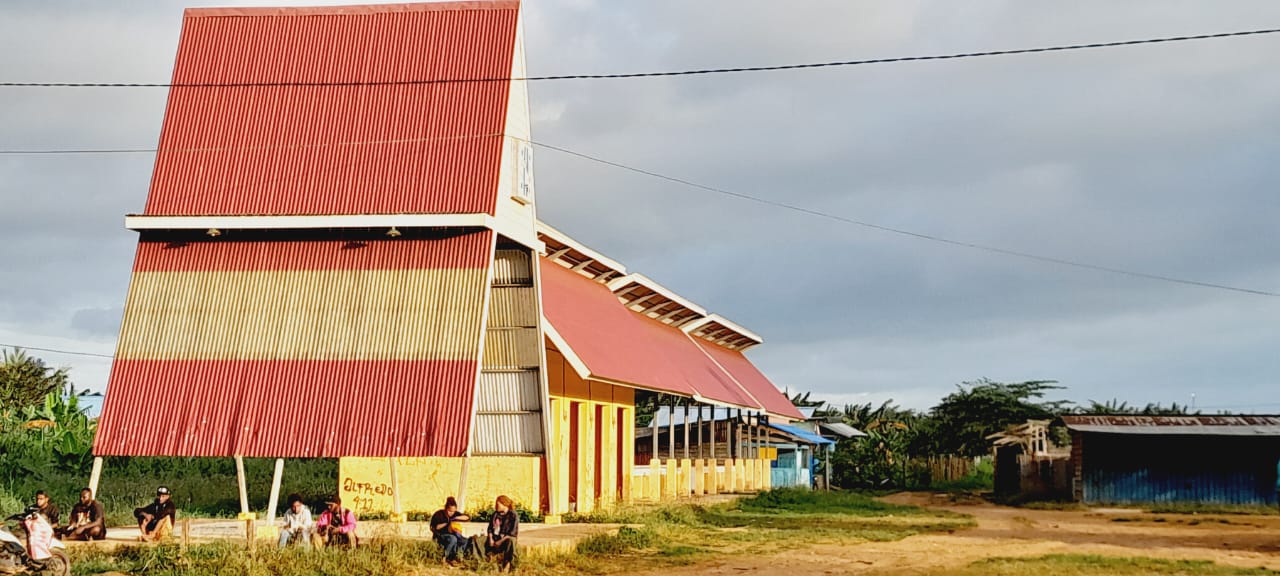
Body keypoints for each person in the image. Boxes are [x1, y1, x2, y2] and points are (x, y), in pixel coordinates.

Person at [430, 496, 471, 565]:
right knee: (453, 538)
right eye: (450, 511)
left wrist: (455, 518)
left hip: (453, 534)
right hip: (440, 535)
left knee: (464, 540)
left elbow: (467, 517)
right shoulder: (439, 514)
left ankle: (457, 556)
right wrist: (447, 523)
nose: (451, 513)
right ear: (446, 508)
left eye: (453, 511)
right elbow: (435, 527)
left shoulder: (454, 514)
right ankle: (444, 557)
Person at [485, 495, 518, 572]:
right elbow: (490, 528)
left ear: (504, 504)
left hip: (505, 539)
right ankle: (482, 561)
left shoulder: (513, 515)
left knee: (511, 541)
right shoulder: (495, 514)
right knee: (478, 540)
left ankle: (507, 564)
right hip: (494, 538)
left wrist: (500, 541)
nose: (496, 506)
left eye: (498, 504)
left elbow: (512, 533)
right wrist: (490, 538)